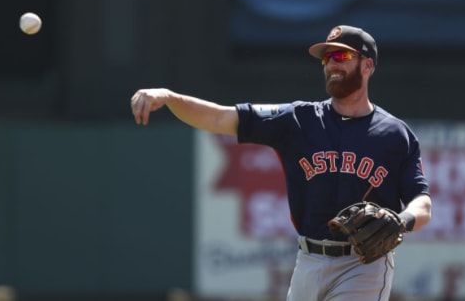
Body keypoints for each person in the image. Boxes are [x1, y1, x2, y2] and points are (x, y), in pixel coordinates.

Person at [130, 25, 432, 301]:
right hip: (308, 261)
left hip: (363, 265)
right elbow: (220, 117)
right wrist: (169, 97)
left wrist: (401, 220)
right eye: (326, 58)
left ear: (367, 65)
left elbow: (423, 203)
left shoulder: (395, 134)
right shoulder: (298, 120)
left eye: (341, 55)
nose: (332, 64)